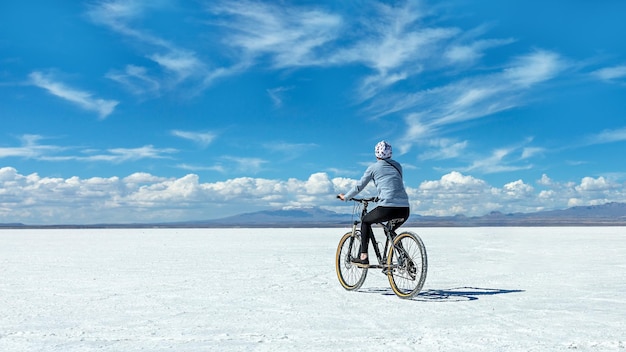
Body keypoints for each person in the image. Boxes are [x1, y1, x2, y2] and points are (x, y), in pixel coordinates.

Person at [337, 141, 410, 267]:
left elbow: (359, 186)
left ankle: (363, 257)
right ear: (390, 154)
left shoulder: (373, 168)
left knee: (365, 221)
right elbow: (393, 185)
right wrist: (379, 197)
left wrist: (346, 197)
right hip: (404, 208)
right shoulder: (398, 166)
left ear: (376, 154)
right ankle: (405, 259)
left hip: (388, 207)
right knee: (390, 231)